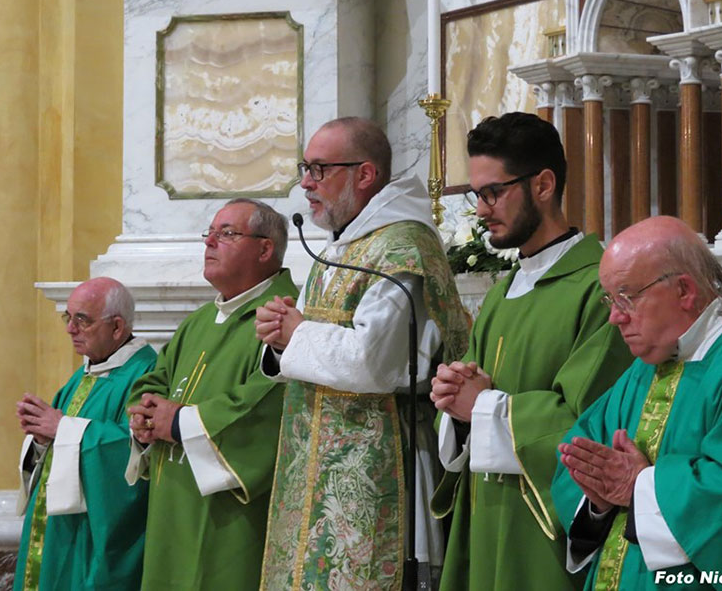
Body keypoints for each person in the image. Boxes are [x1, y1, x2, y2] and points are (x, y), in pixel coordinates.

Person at [552, 215, 722, 590]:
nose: (615, 317)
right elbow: (583, 453)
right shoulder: (646, 367)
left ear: (684, 291)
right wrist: (597, 501)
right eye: (610, 300)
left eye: (626, 297)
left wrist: (638, 486)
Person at [254, 117, 470, 590]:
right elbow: (308, 339)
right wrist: (278, 337)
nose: (305, 183)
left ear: (365, 174)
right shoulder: (342, 244)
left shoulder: (402, 248)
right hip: (316, 456)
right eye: (304, 168)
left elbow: (376, 362)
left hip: (377, 462)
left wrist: (296, 334)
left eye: (318, 169)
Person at [430, 112, 632, 591]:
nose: (480, 209)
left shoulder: (599, 288)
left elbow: (589, 423)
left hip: (544, 534)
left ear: (543, 185)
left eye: (492, 192)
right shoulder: (502, 294)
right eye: (476, 194)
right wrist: (455, 404)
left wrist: (480, 405)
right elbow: (472, 405)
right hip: (486, 515)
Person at [125, 199, 297, 590]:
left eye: (227, 233)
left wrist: (181, 423)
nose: (210, 242)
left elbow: (272, 402)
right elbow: (154, 380)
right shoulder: (199, 321)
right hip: (174, 502)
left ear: (265, 248)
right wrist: (145, 417)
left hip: (232, 515)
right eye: (210, 233)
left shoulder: (284, 317)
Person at [13, 277, 156, 591]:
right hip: (59, 531)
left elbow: (134, 452)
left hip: (95, 532)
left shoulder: (146, 374)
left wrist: (62, 428)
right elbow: (57, 436)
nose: (69, 329)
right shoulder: (85, 374)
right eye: (68, 317)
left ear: (117, 327)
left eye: (82, 320)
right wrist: (40, 436)